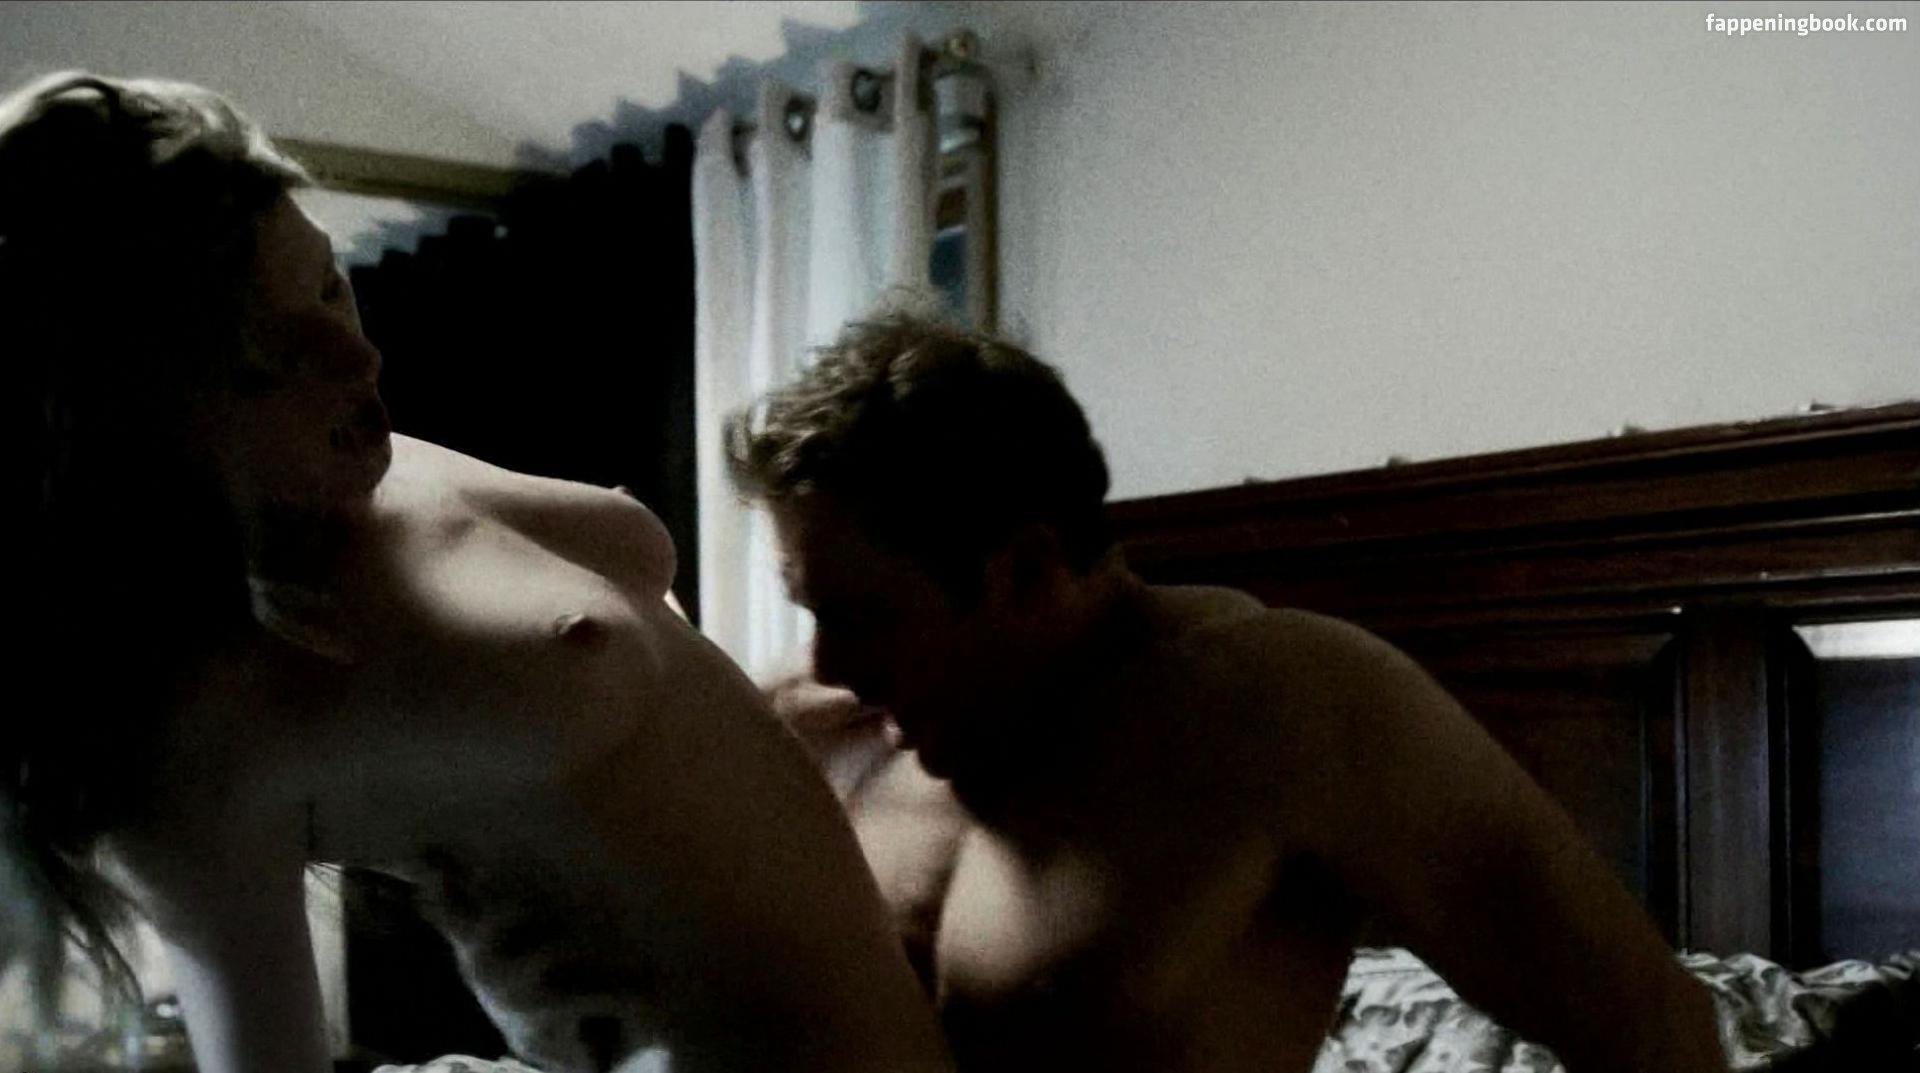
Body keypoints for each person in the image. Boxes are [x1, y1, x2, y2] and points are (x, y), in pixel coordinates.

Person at [0, 72, 953, 1073]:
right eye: (265, 360)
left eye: (327, 285)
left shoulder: (359, 461)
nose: (354, 357)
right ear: (134, 434)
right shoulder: (192, 734)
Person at [727, 314, 1729, 1073]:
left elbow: (1658, 1033)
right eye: (807, 608)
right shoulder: (808, 727)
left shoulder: (1284, 704)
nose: (825, 663)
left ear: (1027, 570)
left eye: (865, 615)